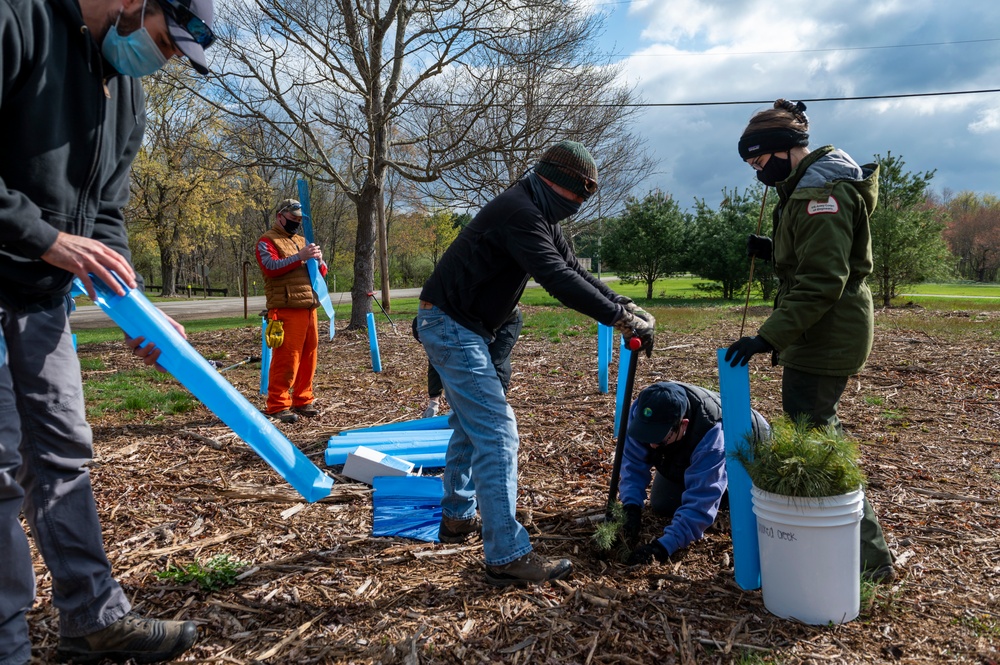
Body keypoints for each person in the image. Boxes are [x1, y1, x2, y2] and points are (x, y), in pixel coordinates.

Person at [0, 0, 215, 661]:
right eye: (165, 40)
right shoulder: (18, 19)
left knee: (65, 455)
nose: (166, 59)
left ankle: (93, 619)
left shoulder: (128, 94)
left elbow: (107, 218)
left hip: (42, 300)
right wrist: (46, 239)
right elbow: (65, 236)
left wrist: (135, 308)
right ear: (134, 2)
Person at [417, 140, 656, 586]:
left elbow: (574, 269)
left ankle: (456, 515)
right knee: (498, 431)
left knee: (472, 424)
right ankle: (506, 554)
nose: (579, 208)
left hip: (462, 323)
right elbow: (557, 279)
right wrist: (621, 320)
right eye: (577, 197)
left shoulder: (536, 210)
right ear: (555, 182)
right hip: (450, 324)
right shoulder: (519, 212)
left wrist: (620, 301)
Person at [725, 98, 895, 582]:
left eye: (760, 161)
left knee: (819, 438)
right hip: (818, 332)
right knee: (814, 428)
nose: (759, 172)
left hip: (829, 333)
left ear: (785, 150)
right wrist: (774, 247)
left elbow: (823, 280)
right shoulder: (805, 189)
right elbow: (808, 258)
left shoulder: (824, 195)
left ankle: (867, 560)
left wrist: (765, 337)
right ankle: (839, 545)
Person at [621, 382, 769, 565]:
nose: (652, 446)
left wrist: (663, 547)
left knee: (735, 500)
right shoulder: (643, 412)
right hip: (689, 452)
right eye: (647, 436)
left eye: (660, 439)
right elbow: (632, 463)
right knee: (663, 503)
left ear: (683, 425)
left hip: (752, 453)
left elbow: (701, 502)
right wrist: (630, 507)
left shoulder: (711, 435)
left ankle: (727, 491)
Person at [255, 198, 327, 424]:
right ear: (280, 216)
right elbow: (270, 267)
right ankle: (277, 404)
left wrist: (320, 260)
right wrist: (300, 257)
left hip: (309, 307)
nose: (296, 223)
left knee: (309, 356)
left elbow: (320, 274)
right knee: (287, 358)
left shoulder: (302, 241)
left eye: (299, 220)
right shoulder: (266, 241)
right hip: (286, 308)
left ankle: (303, 399)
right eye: (293, 218)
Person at [415, 307, 523, 418]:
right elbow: (437, 361)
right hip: (480, 321)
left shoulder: (455, 324)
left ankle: (496, 412)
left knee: (493, 363)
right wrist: (434, 401)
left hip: (506, 320)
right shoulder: (439, 328)